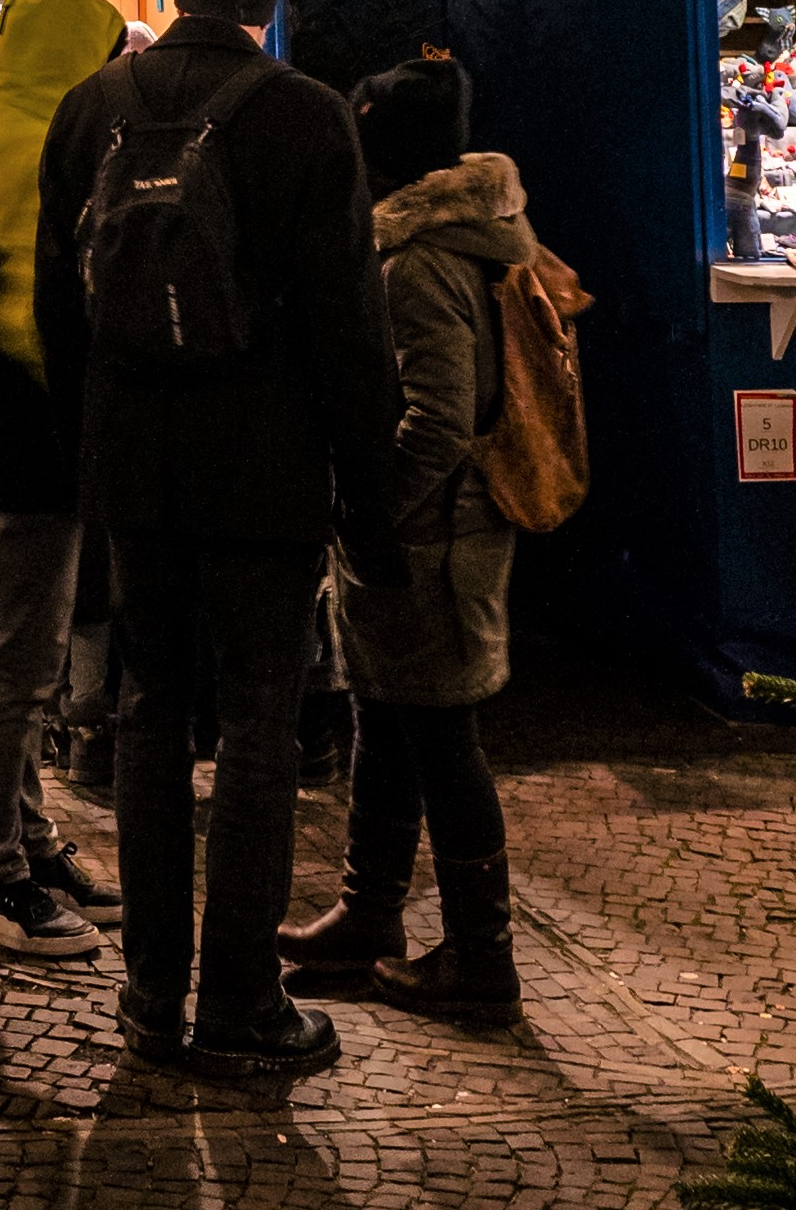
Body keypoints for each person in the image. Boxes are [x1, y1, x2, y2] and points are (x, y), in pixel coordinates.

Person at [35, 0, 398, 1077]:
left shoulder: (89, 107)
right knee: (255, 723)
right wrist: (368, 496)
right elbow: (350, 324)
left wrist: (88, 447)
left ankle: (148, 995)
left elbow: (58, 305)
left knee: (147, 713)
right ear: (264, 7)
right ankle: (240, 998)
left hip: (134, 468)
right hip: (265, 466)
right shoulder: (302, 112)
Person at [276, 61, 536, 1026]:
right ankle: (369, 915)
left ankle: (481, 958)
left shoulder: (421, 260)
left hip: (433, 536)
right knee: (384, 719)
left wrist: (372, 506)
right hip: (421, 532)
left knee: (439, 735)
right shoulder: (444, 237)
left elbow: (439, 416)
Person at [0, 0, 129, 961]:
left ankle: (26, 839)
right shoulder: (48, 141)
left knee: (18, 650)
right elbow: (34, 311)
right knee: (17, 659)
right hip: (36, 436)